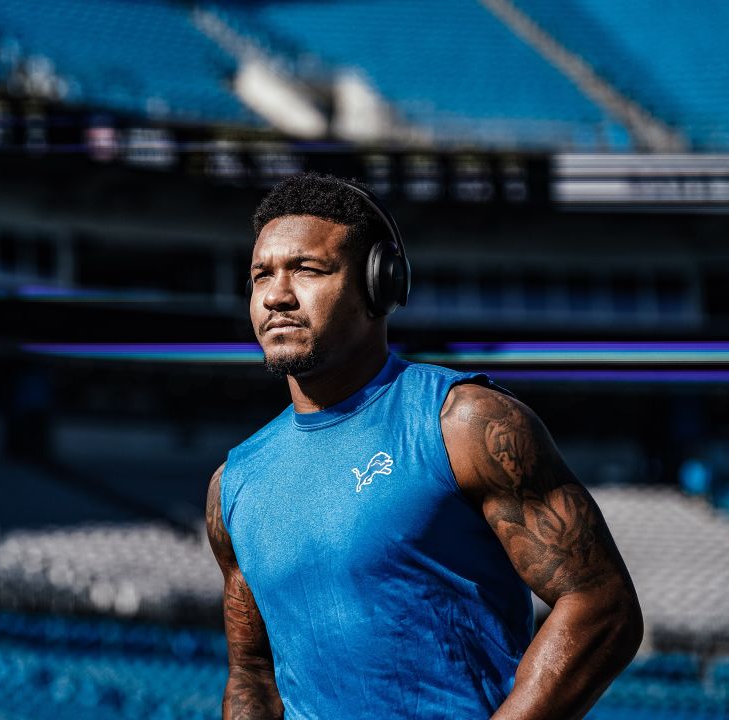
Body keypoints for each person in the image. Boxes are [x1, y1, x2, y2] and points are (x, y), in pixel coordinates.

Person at [206, 173, 643, 719]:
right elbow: (253, 674)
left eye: (308, 270)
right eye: (260, 276)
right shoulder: (234, 485)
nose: (276, 295)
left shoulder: (465, 423)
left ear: (379, 285)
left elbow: (602, 606)